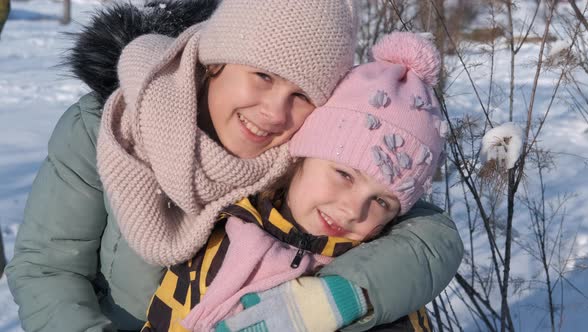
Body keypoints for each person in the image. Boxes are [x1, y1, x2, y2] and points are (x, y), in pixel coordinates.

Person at [6, 0, 463, 331]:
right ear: (217, 62)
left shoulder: (307, 155)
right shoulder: (112, 125)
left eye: (302, 94)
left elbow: (428, 236)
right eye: (263, 75)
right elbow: (48, 267)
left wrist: (329, 301)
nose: (274, 113)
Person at [142, 31, 444, 332]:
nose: (354, 210)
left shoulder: (375, 298)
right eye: (345, 175)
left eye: (381, 201)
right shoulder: (224, 228)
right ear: (301, 154)